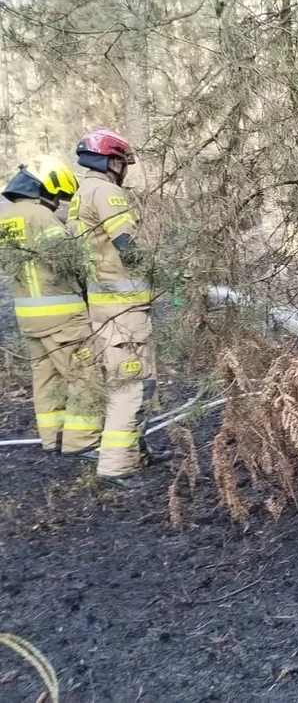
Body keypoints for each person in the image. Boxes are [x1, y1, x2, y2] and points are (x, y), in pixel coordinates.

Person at [70, 127, 166, 488]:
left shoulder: (82, 193)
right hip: (123, 311)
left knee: (137, 381)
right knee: (131, 385)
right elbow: (126, 246)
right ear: (110, 161)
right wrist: (165, 274)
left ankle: (135, 453)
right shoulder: (107, 192)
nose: (124, 170)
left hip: (105, 306)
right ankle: (115, 466)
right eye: (122, 163)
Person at [0, 156, 102, 457]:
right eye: (57, 195)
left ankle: (53, 437)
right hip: (62, 317)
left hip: (29, 317)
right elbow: (69, 261)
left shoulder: (6, 216)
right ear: (47, 186)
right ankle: (82, 441)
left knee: (46, 379)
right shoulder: (43, 217)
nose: (58, 203)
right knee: (86, 375)